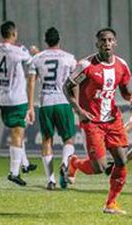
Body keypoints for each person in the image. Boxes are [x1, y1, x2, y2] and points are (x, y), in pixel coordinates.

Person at [63, 28, 132, 214]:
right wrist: (79, 110)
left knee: (122, 161)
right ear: (97, 44)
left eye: (110, 40)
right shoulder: (86, 65)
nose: (107, 43)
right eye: (103, 40)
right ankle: (75, 163)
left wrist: (130, 98)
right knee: (100, 167)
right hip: (92, 121)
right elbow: (67, 86)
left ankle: (111, 204)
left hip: (112, 119)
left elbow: (124, 90)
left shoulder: (121, 65)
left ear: (115, 43)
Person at [0, 21, 37, 186]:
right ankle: (14, 172)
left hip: (2, 98)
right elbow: (32, 64)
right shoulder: (19, 50)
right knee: (17, 133)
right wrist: (35, 53)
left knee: (18, 129)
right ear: (13, 34)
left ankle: (25, 164)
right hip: (17, 98)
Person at [28, 27, 76, 190]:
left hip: (45, 102)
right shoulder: (69, 58)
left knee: (47, 140)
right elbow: (74, 82)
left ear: (46, 40)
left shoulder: (37, 58)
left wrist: (30, 107)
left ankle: (51, 180)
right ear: (59, 40)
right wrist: (75, 102)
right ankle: (64, 163)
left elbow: (31, 82)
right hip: (63, 101)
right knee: (68, 139)